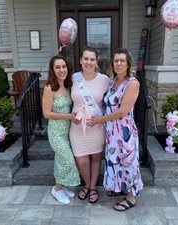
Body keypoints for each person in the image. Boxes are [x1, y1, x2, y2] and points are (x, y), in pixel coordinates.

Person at [87, 48, 143, 211]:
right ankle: (120, 187)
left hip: (124, 133)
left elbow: (122, 111)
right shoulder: (112, 81)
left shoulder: (132, 83)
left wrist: (99, 120)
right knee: (114, 161)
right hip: (112, 132)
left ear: (128, 64)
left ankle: (131, 197)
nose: (118, 63)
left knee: (128, 163)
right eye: (116, 60)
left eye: (122, 61)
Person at [69, 46, 110, 203]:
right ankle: (86, 184)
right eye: (85, 58)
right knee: (81, 160)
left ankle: (92, 188)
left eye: (92, 59)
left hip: (96, 127)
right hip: (77, 128)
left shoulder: (105, 80)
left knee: (96, 158)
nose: (88, 62)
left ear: (96, 62)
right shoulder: (73, 78)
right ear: (80, 60)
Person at [42, 55, 80, 204]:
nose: (61, 70)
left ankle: (61, 187)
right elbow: (46, 114)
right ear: (52, 70)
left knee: (60, 161)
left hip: (67, 131)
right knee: (68, 160)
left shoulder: (68, 85)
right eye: (57, 67)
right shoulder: (49, 88)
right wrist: (68, 116)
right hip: (56, 132)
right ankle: (56, 189)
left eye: (64, 66)